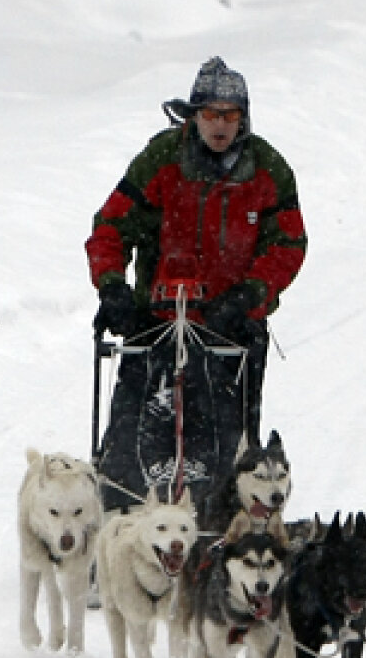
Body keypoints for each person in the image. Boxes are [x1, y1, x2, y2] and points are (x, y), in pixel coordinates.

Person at [86, 56, 307, 513]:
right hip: (157, 317)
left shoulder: (268, 170)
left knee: (229, 443)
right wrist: (112, 287)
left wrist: (253, 294)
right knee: (131, 436)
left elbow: (289, 242)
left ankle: (225, 537)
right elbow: (111, 225)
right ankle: (117, 520)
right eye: (210, 114)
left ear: (244, 118)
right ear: (193, 116)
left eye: (230, 115)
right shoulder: (161, 159)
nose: (219, 125)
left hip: (232, 325)